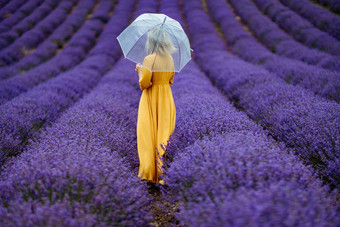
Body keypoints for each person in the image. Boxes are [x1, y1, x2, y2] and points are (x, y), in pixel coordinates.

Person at [135, 27, 176, 185]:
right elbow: (171, 80)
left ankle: (148, 173)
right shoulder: (170, 59)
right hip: (166, 98)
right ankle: (162, 173)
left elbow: (144, 83)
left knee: (147, 135)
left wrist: (139, 71)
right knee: (163, 136)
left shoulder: (149, 59)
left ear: (152, 41)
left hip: (151, 99)